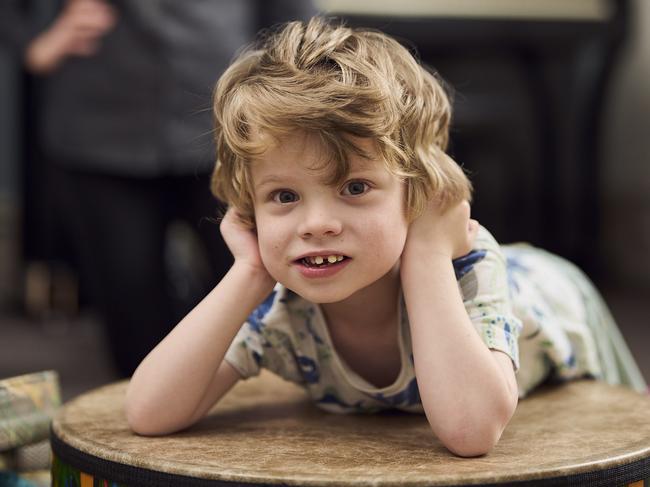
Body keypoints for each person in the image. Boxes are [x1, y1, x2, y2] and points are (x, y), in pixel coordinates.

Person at [125, 17, 647, 457]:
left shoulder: (463, 266)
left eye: (354, 186)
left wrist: (426, 253)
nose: (315, 224)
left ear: (417, 194)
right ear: (248, 211)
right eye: (284, 197)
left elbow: (470, 432)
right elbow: (148, 413)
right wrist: (250, 272)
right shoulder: (277, 306)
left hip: (551, 293)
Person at [0, 0, 316, 377]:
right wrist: (32, 43)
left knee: (264, 289)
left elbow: (296, 17)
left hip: (229, 125)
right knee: (132, 307)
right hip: (98, 129)